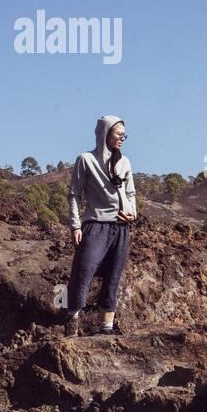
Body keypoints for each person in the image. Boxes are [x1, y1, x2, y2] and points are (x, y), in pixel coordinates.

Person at [63, 116, 136, 336]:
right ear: (104, 133)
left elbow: (131, 193)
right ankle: (71, 323)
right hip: (95, 225)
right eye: (118, 134)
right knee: (83, 271)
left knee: (114, 275)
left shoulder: (125, 162)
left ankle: (106, 327)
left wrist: (132, 213)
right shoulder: (86, 160)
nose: (122, 139)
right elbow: (74, 194)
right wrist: (76, 226)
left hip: (121, 229)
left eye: (124, 135)